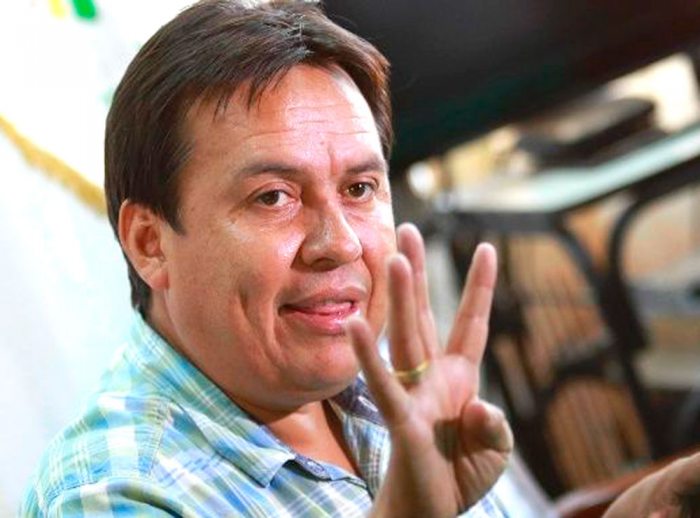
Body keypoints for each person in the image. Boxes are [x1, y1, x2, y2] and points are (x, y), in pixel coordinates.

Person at [19, 1, 700, 516]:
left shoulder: (371, 373)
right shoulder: (110, 494)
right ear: (149, 242)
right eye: (274, 197)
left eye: (360, 188)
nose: (340, 243)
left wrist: (643, 508)